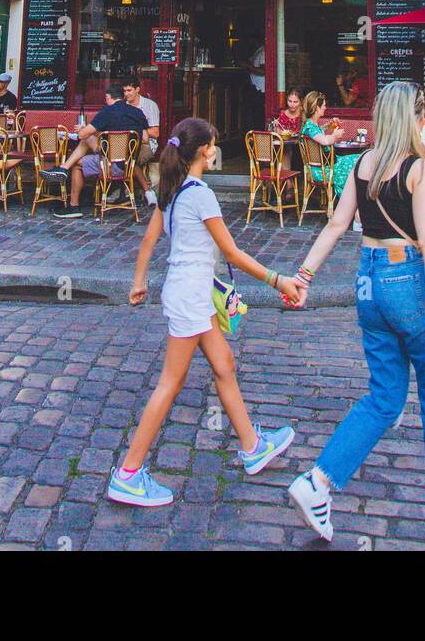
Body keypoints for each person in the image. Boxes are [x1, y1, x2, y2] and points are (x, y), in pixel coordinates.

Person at [286, 81, 425, 551]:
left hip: (367, 281)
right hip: (407, 282)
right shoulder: (417, 169)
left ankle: (318, 481)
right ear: (415, 118)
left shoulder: (362, 163)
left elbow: (338, 224)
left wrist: (304, 274)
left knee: (384, 396)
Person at [107, 117, 301, 507]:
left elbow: (149, 240)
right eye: (212, 145)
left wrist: (139, 280)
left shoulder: (173, 189)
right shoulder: (199, 194)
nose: (216, 151)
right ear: (202, 152)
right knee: (169, 383)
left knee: (224, 365)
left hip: (190, 291)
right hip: (191, 297)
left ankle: (252, 446)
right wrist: (278, 280)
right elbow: (232, 252)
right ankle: (128, 473)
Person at [50, 82, 149, 220]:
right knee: (89, 139)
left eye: (106, 98)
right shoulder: (137, 112)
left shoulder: (106, 112)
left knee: (77, 164)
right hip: (129, 164)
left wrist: (83, 129)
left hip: (111, 166)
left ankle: (73, 205)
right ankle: (63, 168)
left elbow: (81, 135)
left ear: (110, 97)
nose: (106, 101)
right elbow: (145, 138)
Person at [300, 91, 356, 199]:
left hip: (324, 167)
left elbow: (318, 132)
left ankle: (351, 200)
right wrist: (335, 135)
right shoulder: (310, 128)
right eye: (324, 105)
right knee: (356, 161)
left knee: (357, 159)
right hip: (321, 171)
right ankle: (351, 200)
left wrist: (329, 124)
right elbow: (324, 141)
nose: (325, 108)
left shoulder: (310, 126)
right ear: (317, 107)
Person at [123, 76, 160, 207]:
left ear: (137, 89)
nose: (126, 94)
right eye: (125, 91)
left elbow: (155, 133)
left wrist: (137, 130)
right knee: (121, 157)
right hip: (125, 143)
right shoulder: (123, 106)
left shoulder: (150, 105)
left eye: (129, 90)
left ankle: (146, 191)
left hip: (147, 144)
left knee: (129, 160)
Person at [246, 42, 266, 129]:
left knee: (258, 116)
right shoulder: (257, 51)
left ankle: (258, 138)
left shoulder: (263, 52)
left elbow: (262, 71)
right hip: (255, 88)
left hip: (260, 89)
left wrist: (246, 65)